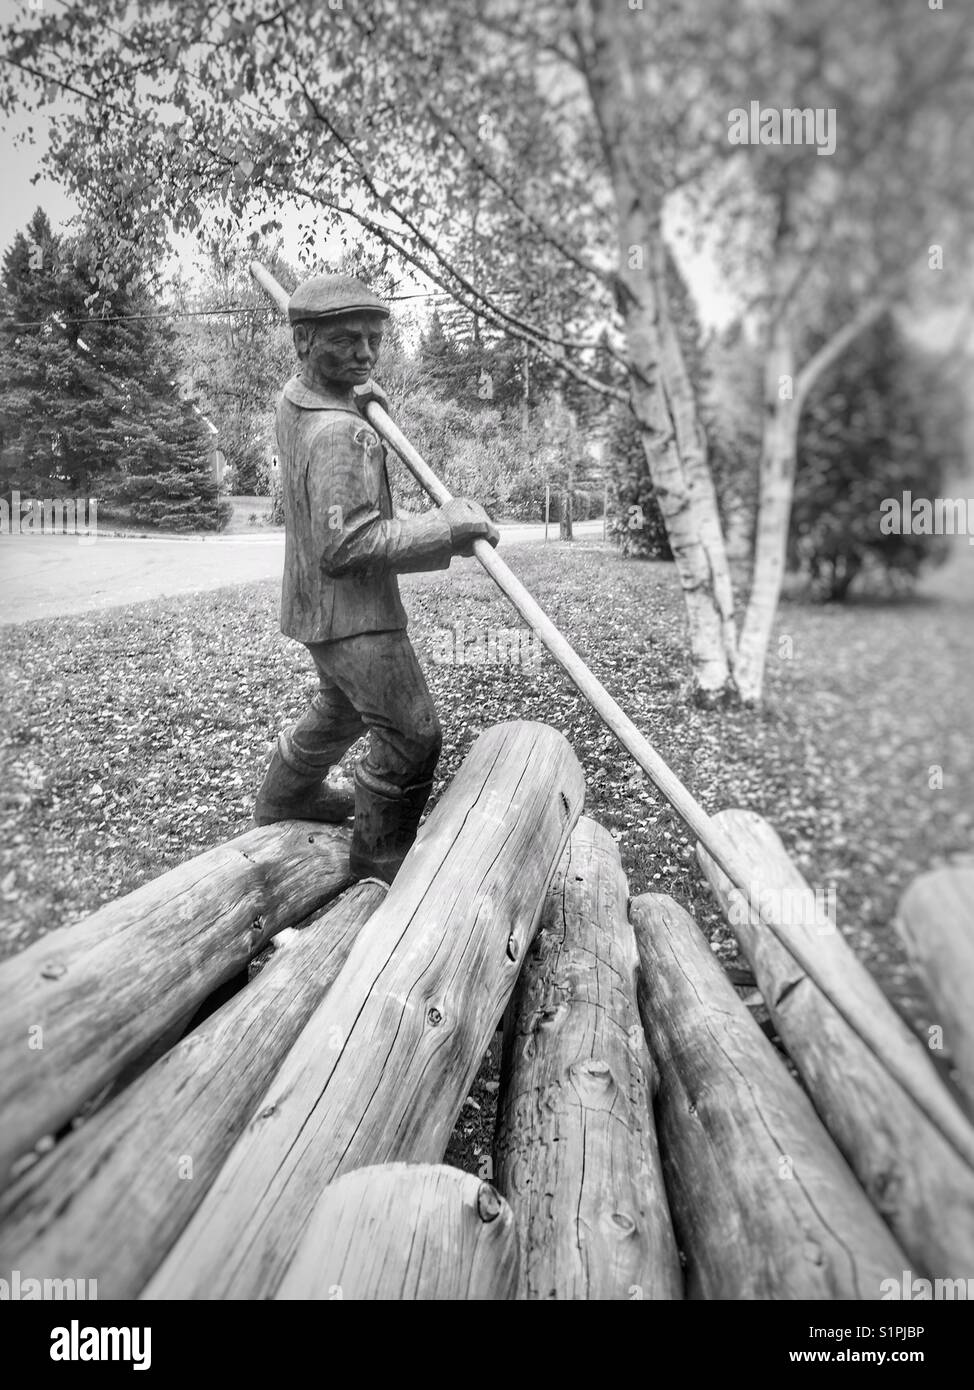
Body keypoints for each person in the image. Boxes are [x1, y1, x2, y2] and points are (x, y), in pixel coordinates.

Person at [254, 272, 499, 882]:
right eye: (347, 342)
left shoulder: (301, 397)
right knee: (411, 736)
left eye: (373, 339)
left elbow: (333, 389)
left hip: (318, 607)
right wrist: (444, 530)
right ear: (304, 341)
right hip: (354, 614)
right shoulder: (341, 434)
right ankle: (378, 861)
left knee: (341, 709)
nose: (365, 354)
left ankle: (285, 798)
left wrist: (355, 389)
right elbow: (349, 542)